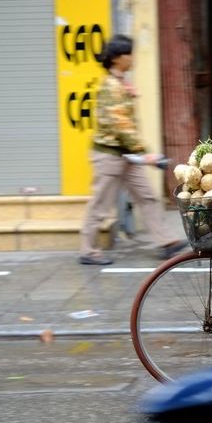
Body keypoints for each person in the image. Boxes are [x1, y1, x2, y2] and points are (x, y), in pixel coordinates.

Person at [78, 35, 185, 265]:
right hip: (109, 155)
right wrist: (145, 153)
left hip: (126, 155)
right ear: (118, 58)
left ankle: (166, 241)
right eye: (130, 54)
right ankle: (87, 250)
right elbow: (120, 125)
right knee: (101, 203)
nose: (133, 58)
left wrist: (139, 153)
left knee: (147, 196)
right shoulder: (110, 87)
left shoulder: (120, 83)